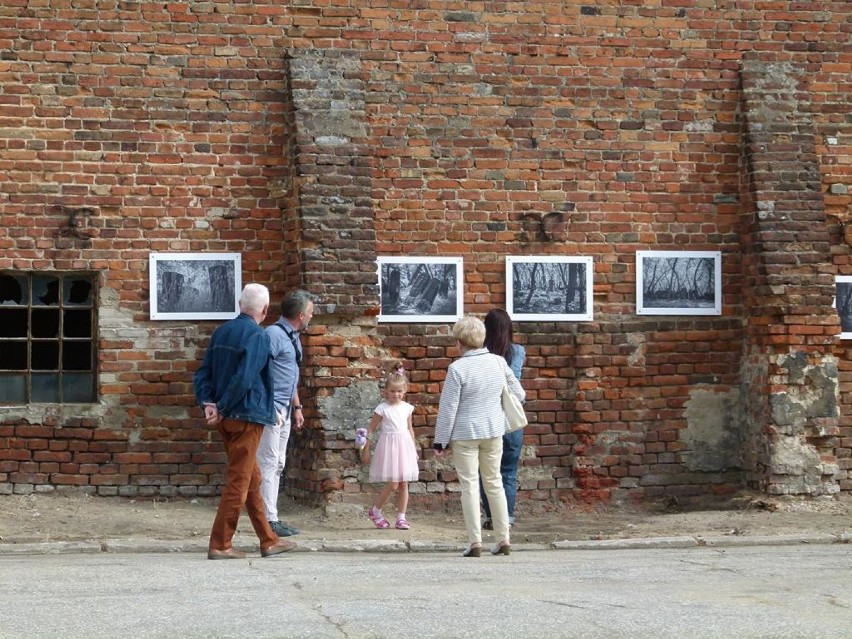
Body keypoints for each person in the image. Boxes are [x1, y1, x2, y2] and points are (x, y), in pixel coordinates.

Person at [193, 283, 297, 560]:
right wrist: (224, 406)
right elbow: (246, 377)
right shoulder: (258, 336)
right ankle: (221, 544)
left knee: (252, 477)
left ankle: (268, 539)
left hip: (226, 418)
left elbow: (203, 373)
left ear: (240, 304)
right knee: (239, 481)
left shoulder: (221, 332)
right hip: (247, 416)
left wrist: (209, 404)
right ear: (265, 310)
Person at [434, 315, 525, 557]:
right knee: (494, 482)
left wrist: (440, 440)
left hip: (465, 434)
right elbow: (520, 393)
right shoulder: (498, 362)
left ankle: (475, 543)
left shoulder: (457, 369)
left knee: (470, 486)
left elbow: (448, 408)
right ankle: (503, 539)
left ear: (459, 343)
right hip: (494, 430)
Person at [257, 289, 314, 538]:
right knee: (269, 463)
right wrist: (270, 408)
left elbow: (290, 375)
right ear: (301, 315)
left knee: (279, 463)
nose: (312, 316)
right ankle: (268, 519)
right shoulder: (273, 335)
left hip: (286, 409)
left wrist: (297, 406)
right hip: (272, 410)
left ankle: (272, 515)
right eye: (311, 313)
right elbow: (260, 373)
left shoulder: (293, 336)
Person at [479, 308, 526, 530]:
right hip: (511, 419)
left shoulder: (480, 354)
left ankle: (491, 517)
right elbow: (517, 390)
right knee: (508, 470)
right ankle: (507, 518)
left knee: (486, 471)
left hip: (487, 418)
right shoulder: (518, 351)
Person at [364, 361, 419, 530]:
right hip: (389, 448)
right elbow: (371, 430)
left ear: (405, 391)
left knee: (404, 484)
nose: (396, 394)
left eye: (399, 391)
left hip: (404, 446)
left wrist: (414, 448)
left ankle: (401, 517)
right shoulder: (382, 409)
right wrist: (365, 449)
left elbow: (409, 429)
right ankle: (375, 510)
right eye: (393, 391)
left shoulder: (407, 408)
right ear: (386, 391)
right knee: (393, 484)